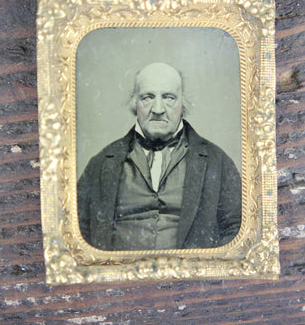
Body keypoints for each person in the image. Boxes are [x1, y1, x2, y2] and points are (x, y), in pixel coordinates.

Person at [77, 62, 241, 250]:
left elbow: (237, 229)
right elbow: (77, 231)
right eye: (147, 97)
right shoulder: (101, 163)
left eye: (168, 97)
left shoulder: (216, 162)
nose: (157, 109)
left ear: (182, 103)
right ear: (135, 103)